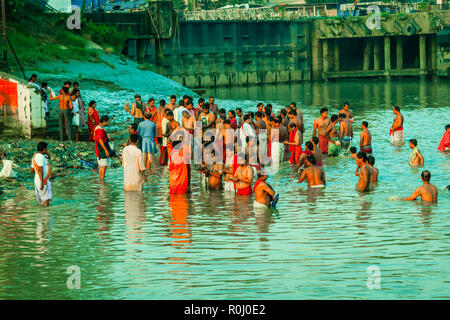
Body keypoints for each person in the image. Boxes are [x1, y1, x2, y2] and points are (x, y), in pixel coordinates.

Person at [30, 142, 52, 206]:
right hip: (43, 181)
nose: (47, 150)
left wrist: (38, 175)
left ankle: (40, 214)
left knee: (40, 201)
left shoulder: (35, 156)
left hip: (37, 180)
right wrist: (42, 182)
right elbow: (40, 169)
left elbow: (32, 170)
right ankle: (46, 214)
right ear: (44, 149)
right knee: (46, 200)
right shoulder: (40, 157)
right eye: (46, 148)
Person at [94, 116, 113, 181]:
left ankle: (101, 180)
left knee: (101, 166)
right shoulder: (99, 129)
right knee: (104, 166)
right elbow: (100, 139)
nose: (108, 123)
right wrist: (105, 150)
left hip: (98, 149)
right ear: (104, 121)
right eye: (107, 121)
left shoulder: (99, 128)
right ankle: (102, 181)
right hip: (101, 150)